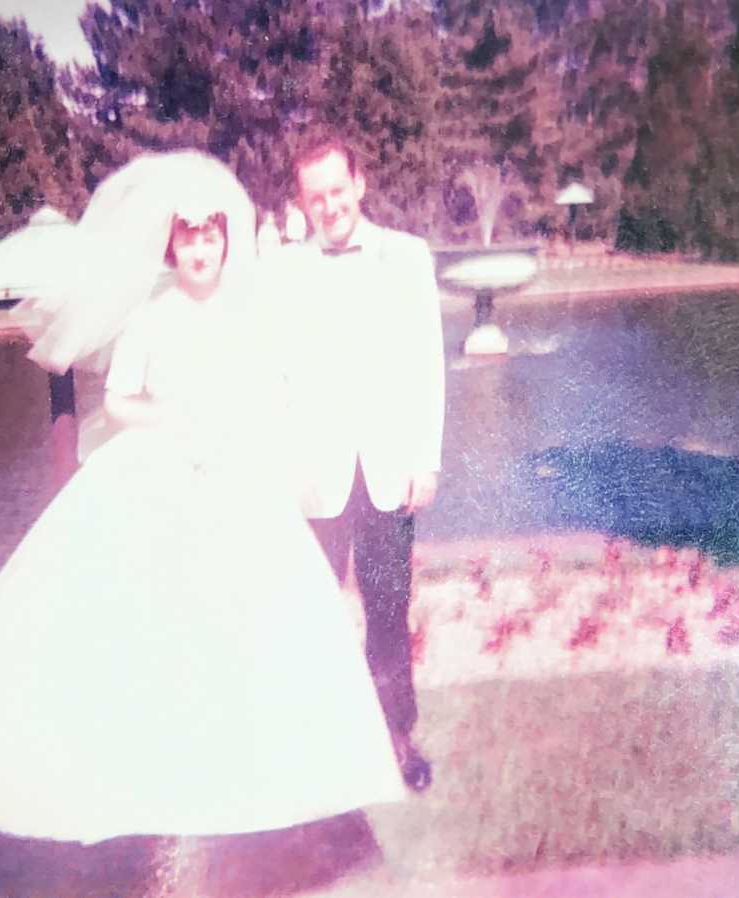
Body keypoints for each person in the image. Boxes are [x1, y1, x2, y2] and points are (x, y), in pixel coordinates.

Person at [0, 152, 405, 859]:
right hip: (157, 474)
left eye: (211, 237)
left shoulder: (245, 316)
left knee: (247, 623)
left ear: (225, 243)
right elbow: (118, 400)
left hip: (236, 483)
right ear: (170, 246)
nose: (200, 250)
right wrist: (172, 423)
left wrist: (240, 428)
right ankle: (139, 776)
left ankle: (246, 779)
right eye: (188, 238)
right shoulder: (152, 319)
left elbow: (271, 392)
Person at [281, 138, 446, 793]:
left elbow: (428, 365)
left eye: (337, 191)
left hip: (386, 473)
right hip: (312, 479)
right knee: (308, 613)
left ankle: (399, 741)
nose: (329, 206)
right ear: (302, 202)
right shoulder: (284, 270)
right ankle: (314, 749)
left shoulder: (407, 258)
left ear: (360, 183)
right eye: (314, 196)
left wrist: (425, 462)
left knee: (387, 613)